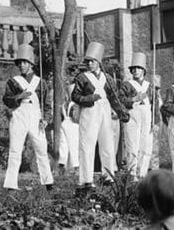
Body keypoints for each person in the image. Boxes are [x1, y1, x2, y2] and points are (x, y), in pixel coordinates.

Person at [72, 41, 129, 190]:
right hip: (89, 111)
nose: (90, 64)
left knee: (108, 144)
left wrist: (123, 112)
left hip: (105, 110)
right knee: (87, 144)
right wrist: (90, 98)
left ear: (98, 62)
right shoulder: (82, 78)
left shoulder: (108, 78)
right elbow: (75, 96)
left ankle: (108, 177)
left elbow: (114, 98)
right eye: (88, 61)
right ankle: (86, 180)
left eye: (92, 61)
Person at [3, 43, 53, 191]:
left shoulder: (41, 82)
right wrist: (19, 96)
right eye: (20, 63)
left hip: (35, 116)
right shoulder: (13, 81)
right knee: (15, 149)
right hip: (19, 116)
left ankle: (48, 181)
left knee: (41, 148)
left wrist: (46, 118)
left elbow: (47, 103)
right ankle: (11, 184)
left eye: (25, 62)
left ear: (31, 63)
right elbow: (6, 100)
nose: (22, 66)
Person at [119, 52, 152, 180]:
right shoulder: (127, 85)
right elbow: (120, 99)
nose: (136, 71)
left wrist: (155, 122)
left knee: (146, 145)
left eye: (138, 68)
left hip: (147, 116)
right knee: (133, 144)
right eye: (134, 69)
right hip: (133, 115)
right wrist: (134, 99)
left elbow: (154, 104)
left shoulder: (150, 86)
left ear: (143, 70)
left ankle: (142, 172)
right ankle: (132, 173)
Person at [58, 83, 79, 174]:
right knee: (74, 145)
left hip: (63, 123)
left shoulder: (64, 104)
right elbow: (75, 117)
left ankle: (62, 164)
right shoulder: (74, 105)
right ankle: (75, 166)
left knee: (63, 145)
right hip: (72, 125)